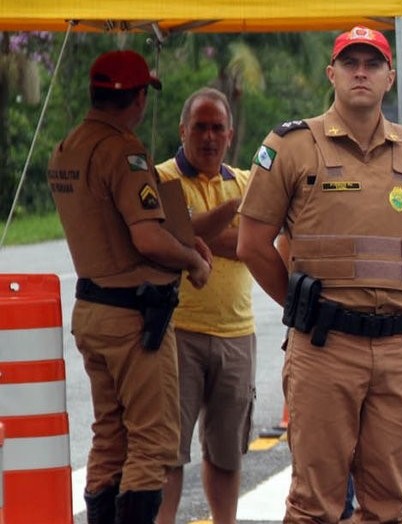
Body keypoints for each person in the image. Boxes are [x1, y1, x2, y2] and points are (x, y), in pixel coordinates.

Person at [236, 26, 402, 522]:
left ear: (389, 77)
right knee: (315, 505)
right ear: (331, 72)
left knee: (390, 506)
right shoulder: (292, 145)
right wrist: (301, 303)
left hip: (399, 350)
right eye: (350, 62)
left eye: (372, 63)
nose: (361, 71)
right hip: (324, 348)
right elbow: (251, 244)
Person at [47, 50, 212, 523]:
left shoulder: (67, 148)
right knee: (151, 441)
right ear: (137, 97)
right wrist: (191, 262)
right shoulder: (125, 152)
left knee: (110, 434)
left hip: (92, 310)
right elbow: (146, 237)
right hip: (134, 320)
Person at [154, 87, 255, 524]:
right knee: (168, 452)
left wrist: (198, 236)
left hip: (237, 333)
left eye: (217, 128)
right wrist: (232, 213)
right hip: (179, 332)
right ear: (183, 130)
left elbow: (256, 242)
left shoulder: (247, 179)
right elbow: (176, 236)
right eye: (200, 127)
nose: (209, 137)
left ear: (230, 135)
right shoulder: (161, 179)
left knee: (226, 452)